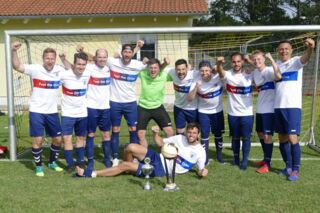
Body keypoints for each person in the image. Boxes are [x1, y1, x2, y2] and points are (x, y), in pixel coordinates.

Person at [75, 123, 208, 178]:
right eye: (189, 132)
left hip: (161, 170)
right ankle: (128, 169)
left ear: (198, 134)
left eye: (194, 133)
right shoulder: (180, 138)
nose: (190, 135)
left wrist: (203, 172)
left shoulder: (200, 152)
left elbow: (201, 170)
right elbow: (161, 142)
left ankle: (90, 174)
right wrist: (156, 134)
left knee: (125, 164)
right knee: (130, 147)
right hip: (157, 157)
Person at [12, 41, 64, 177]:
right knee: (38, 140)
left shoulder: (60, 70)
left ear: (55, 59)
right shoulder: (35, 69)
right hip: (37, 111)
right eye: (47, 58)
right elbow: (17, 66)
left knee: (58, 139)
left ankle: (52, 162)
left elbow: (73, 71)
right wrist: (14, 51)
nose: (50, 61)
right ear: (43, 58)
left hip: (52, 111)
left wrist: (65, 59)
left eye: (52, 58)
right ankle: (39, 166)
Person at [275, 39, 315, 181]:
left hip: (292, 106)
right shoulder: (276, 65)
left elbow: (306, 57)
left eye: (286, 49)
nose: (284, 51)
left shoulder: (296, 62)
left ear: (291, 51)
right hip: (278, 107)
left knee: (292, 137)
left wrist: (310, 48)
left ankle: (296, 170)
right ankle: (288, 166)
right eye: (281, 49)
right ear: (277, 51)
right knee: (282, 138)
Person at [108, 42, 146, 166]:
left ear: (132, 54)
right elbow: (97, 58)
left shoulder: (138, 65)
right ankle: (114, 158)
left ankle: (134, 156)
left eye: (130, 52)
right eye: (125, 52)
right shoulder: (113, 62)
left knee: (133, 129)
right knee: (115, 129)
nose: (127, 54)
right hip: (115, 102)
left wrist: (147, 59)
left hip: (130, 103)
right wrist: (82, 51)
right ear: (121, 53)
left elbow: (155, 67)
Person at [216, 53, 257, 170]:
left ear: (242, 62)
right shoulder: (228, 75)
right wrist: (219, 63)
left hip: (247, 113)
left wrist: (249, 60)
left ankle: (244, 160)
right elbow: (220, 71)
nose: (236, 64)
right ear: (231, 62)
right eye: (234, 62)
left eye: (239, 61)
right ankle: (235, 159)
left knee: (246, 138)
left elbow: (259, 67)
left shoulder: (249, 74)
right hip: (233, 113)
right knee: (234, 137)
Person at [188, 60, 225, 165]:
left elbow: (223, 72)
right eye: (202, 71)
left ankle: (219, 156)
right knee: (204, 135)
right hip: (203, 112)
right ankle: (205, 159)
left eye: (207, 70)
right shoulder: (196, 80)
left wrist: (217, 66)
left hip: (217, 111)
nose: (204, 73)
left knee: (218, 134)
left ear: (211, 70)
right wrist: (196, 87)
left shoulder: (217, 76)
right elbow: (189, 98)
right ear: (199, 71)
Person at [251, 51, 282, 174]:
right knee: (260, 133)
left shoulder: (269, 70)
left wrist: (272, 59)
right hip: (259, 108)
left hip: (269, 110)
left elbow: (279, 76)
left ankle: (267, 164)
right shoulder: (255, 72)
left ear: (264, 59)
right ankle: (265, 159)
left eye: (259, 59)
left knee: (268, 136)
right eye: (254, 59)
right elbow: (253, 65)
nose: (256, 61)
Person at [60, 52, 91, 173]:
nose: (81, 67)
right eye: (79, 64)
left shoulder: (87, 74)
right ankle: (70, 164)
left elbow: (100, 62)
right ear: (74, 64)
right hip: (67, 113)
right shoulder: (64, 75)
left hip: (82, 113)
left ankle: (80, 162)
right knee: (67, 138)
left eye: (83, 64)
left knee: (80, 138)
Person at [137, 58, 174, 147]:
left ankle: (168, 154)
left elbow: (178, 75)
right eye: (151, 68)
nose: (153, 70)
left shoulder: (164, 76)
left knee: (170, 132)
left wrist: (165, 63)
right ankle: (144, 156)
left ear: (159, 69)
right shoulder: (142, 74)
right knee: (140, 134)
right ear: (148, 68)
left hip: (158, 107)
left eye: (155, 68)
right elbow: (129, 66)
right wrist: (142, 60)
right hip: (143, 107)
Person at [167, 59, 198, 135]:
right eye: (178, 70)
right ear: (175, 69)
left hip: (192, 108)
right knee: (180, 132)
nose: (181, 72)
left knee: (193, 132)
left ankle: (193, 146)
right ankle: (180, 146)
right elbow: (158, 68)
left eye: (183, 69)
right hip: (179, 108)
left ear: (187, 68)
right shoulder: (171, 72)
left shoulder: (194, 74)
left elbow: (207, 71)